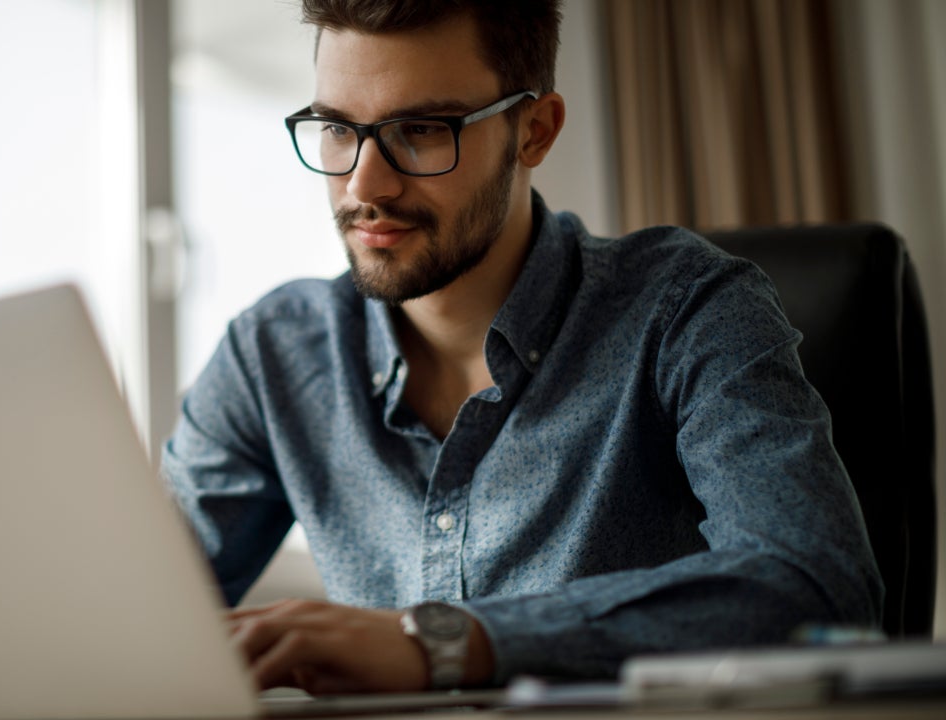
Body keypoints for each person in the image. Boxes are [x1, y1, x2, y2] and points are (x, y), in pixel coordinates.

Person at [162, 0, 881, 696]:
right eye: (338, 129)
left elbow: (816, 584)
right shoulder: (272, 354)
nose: (363, 185)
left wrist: (443, 643)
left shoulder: (688, 309)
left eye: (420, 130)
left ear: (534, 130)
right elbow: (131, 605)